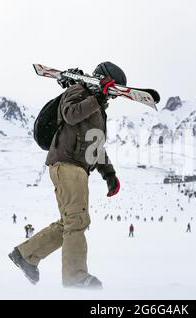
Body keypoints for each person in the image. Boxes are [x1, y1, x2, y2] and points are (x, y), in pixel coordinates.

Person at [9, 62, 124, 289]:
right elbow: (70, 115)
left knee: (70, 222)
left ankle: (26, 255)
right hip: (67, 164)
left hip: (78, 168)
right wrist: (96, 99)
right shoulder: (77, 91)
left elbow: (95, 145)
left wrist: (109, 174)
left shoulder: (98, 110)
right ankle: (75, 279)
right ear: (104, 80)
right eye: (112, 91)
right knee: (77, 221)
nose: (112, 97)